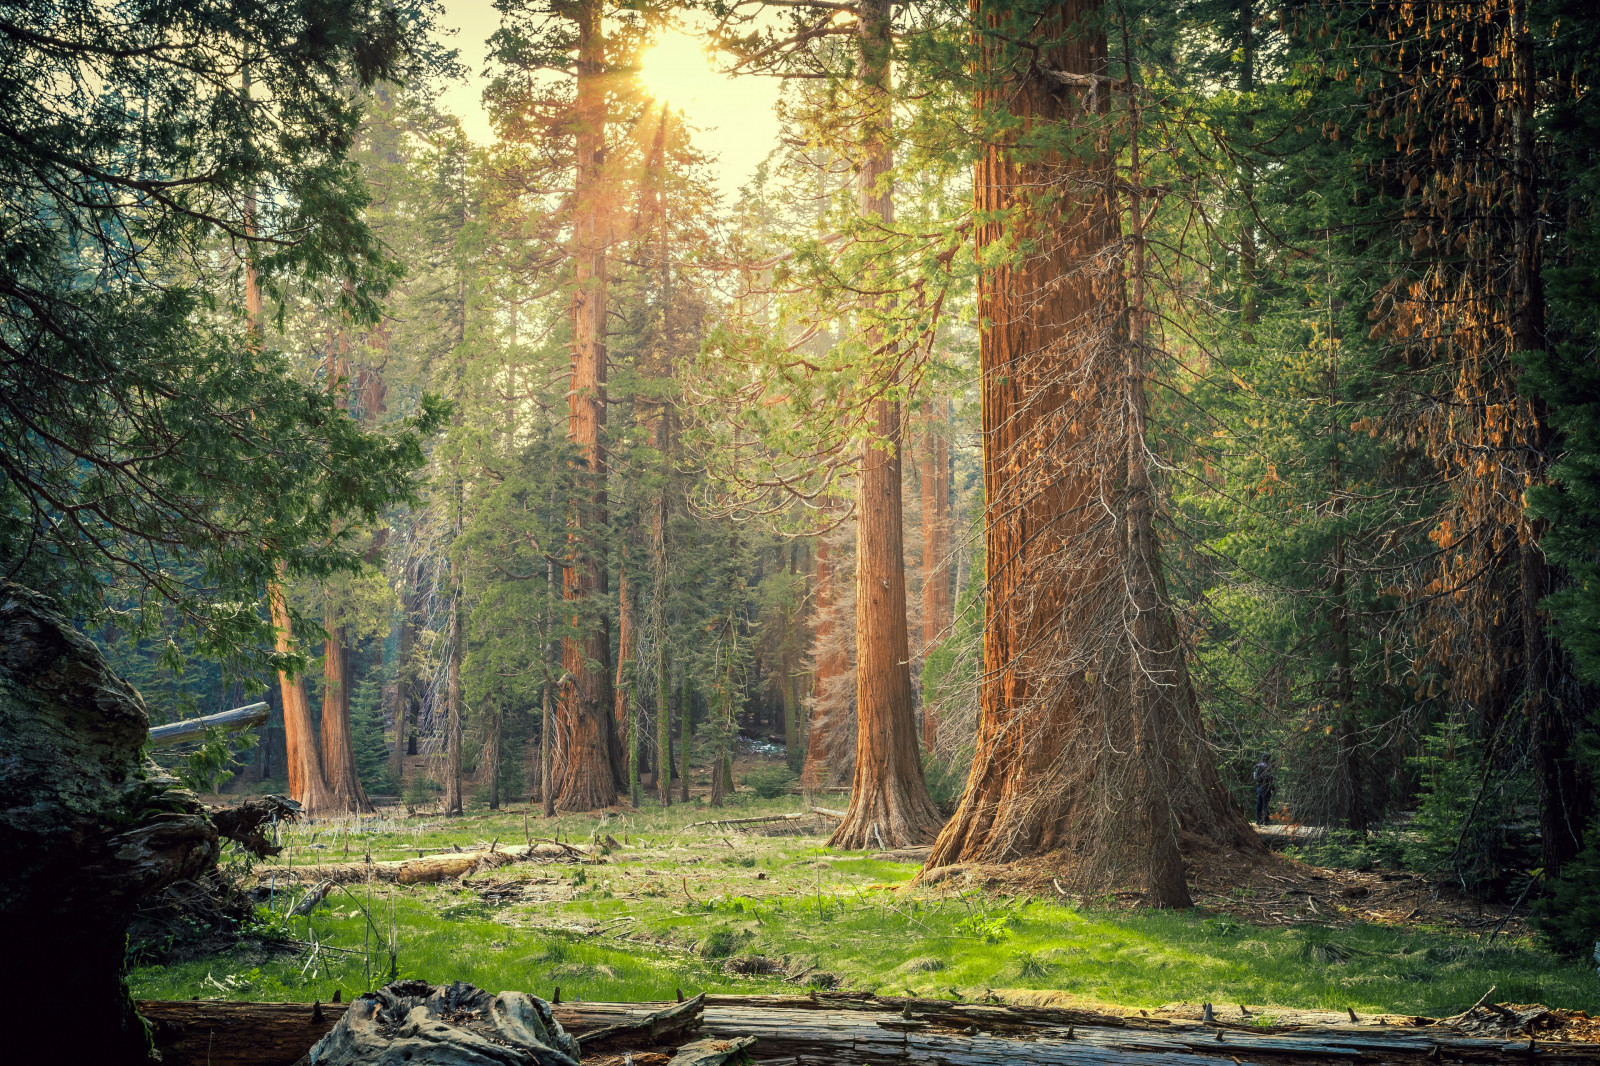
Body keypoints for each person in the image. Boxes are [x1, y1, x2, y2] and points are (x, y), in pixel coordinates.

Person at [1252, 751, 1274, 825]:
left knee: (1259, 803)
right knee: (1266, 803)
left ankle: (1258, 820)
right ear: (1267, 759)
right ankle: (1266, 820)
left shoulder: (1257, 766)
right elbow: (1269, 777)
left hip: (1259, 786)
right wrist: (1272, 787)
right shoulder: (1267, 766)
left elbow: (1254, 776)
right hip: (1266, 787)